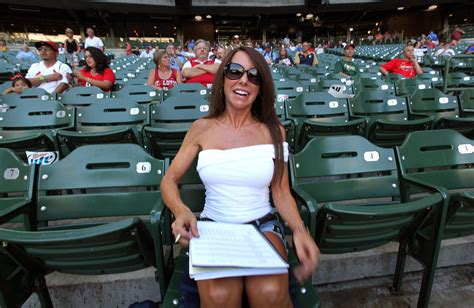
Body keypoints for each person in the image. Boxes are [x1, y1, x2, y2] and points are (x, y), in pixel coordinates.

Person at [161, 46, 319, 307]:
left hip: (263, 225)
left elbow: (280, 192)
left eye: (253, 75)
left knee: (269, 294)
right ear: (222, 78)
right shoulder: (201, 128)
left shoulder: (274, 131)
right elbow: (168, 180)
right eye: (235, 71)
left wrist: (300, 230)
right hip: (214, 227)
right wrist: (181, 211)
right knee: (221, 298)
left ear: (260, 88)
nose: (243, 80)